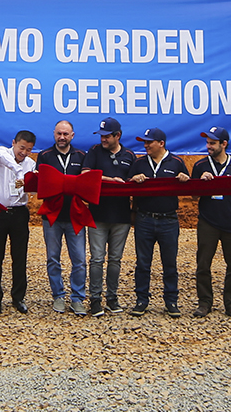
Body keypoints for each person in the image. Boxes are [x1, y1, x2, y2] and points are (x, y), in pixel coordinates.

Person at [128, 128, 189, 318]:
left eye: (149, 142)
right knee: (142, 263)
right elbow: (127, 184)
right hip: (144, 218)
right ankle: (141, 300)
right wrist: (133, 179)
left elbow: (189, 185)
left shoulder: (176, 162)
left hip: (168, 219)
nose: (145, 145)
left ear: (161, 143)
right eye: (144, 142)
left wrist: (184, 179)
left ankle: (171, 301)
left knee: (169, 263)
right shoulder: (139, 163)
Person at [191, 126, 231, 318]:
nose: (208, 146)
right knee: (203, 264)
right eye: (207, 142)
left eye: (212, 143)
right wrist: (200, 182)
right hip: (208, 221)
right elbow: (193, 196)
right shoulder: (200, 165)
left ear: (224, 144)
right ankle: (204, 302)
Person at [82, 117, 135, 315]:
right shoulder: (95, 151)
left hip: (121, 216)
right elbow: (85, 174)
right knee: (97, 259)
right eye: (101, 135)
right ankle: (95, 299)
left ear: (117, 136)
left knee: (115, 259)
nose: (103, 139)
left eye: (107, 136)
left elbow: (134, 180)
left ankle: (112, 298)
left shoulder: (129, 155)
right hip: (98, 214)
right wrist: (109, 180)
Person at [35, 120, 87, 315]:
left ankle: (77, 298)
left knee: (79, 260)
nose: (62, 137)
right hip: (52, 216)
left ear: (72, 135)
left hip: (75, 215)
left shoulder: (81, 156)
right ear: (54, 134)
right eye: (59, 133)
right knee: (53, 258)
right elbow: (39, 184)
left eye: (66, 134)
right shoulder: (44, 156)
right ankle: (58, 296)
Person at [0, 130, 37, 317]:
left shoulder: (30, 164)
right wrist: (18, 170)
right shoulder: (1, 153)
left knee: (20, 257)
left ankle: (18, 297)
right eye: (21, 148)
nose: (24, 153)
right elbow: (6, 161)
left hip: (19, 213)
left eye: (28, 150)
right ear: (14, 142)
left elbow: (30, 189)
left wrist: (34, 182)